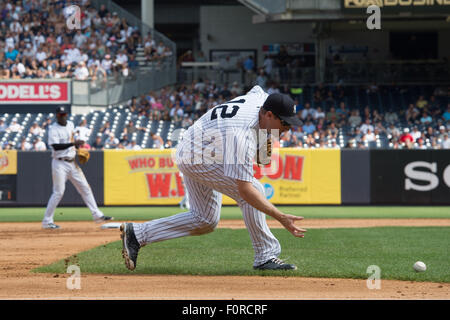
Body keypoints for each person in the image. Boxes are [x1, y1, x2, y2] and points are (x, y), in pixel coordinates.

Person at [120, 86, 306, 271]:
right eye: (285, 124)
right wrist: (280, 217)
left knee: (204, 219)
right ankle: (266, 256)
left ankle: (136, 234)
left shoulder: (261, 99)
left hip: (197, 144)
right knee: (253, 191)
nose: (287, 129)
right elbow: (245, 190)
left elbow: (256, 89)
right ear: (269, 115)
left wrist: (265, 139)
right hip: (198, 155)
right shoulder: (240, 136)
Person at [42, 106, 113, 229]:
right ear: (57, 116)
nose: (63, 116)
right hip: (59, 163)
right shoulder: (53, 129)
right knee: (58, 192)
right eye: (60, 114)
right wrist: (73, 144)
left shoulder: (70, 124)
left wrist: (77, 148)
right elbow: (55, 147)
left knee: (85, 187)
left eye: (64, 114)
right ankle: (47, 221)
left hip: (72, 162)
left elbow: (71, 140)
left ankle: (97, 215)